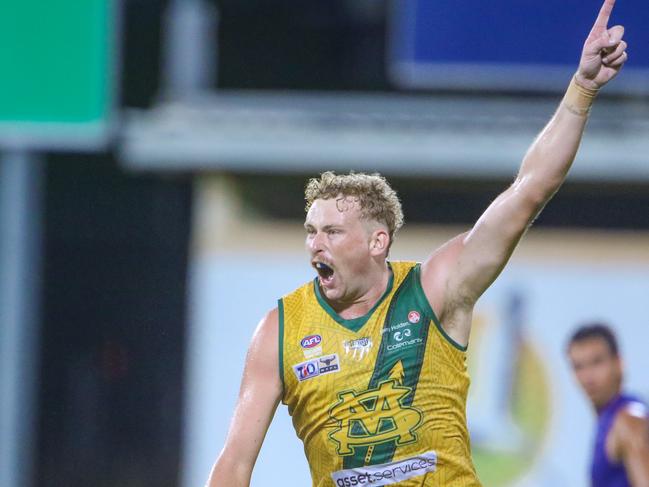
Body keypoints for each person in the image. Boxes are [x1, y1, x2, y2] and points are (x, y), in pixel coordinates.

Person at [207, 1, 629, 485]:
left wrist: (582, 89)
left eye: (332, 232)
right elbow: (235, 462)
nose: (315, 245)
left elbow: (528, 190)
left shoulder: (435, 290)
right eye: (310, 232)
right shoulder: (279, 331)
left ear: (377, 241)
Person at [567, 324, 649, 487]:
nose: (588, 376)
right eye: (578, 367)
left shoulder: (628, 421)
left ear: (619, 363)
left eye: (596, 362)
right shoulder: (607, 422)